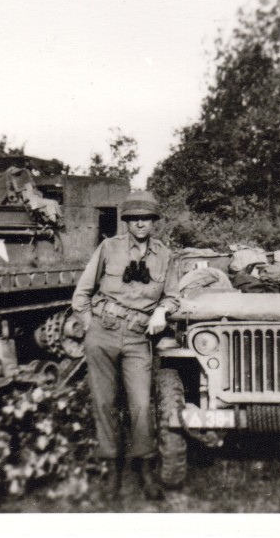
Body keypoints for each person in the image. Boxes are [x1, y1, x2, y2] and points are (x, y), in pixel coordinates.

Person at [71, 190, 179, 501]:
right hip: (102, 333)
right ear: (127, 221)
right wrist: (91, 326)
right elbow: (82, 293)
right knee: (104, 403)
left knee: (141, 405)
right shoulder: (109, 247)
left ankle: (144, 467)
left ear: (153, 221)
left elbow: (172, 295)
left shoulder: (165, 255)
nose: (140, 223)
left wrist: (161, 311)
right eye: (134, 218)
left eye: (146, 218)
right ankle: (112, 470)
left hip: (137, 337)